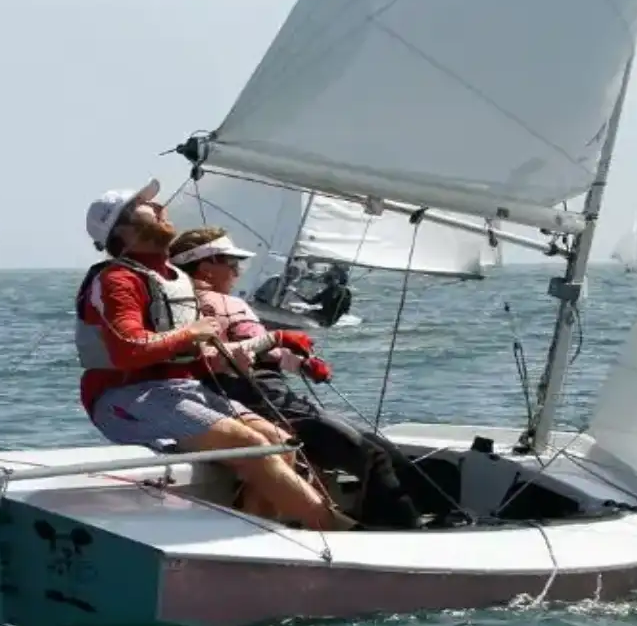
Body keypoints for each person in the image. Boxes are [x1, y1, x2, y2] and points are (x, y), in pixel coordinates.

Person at [76, 181, 352, 531]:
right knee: (250, 445)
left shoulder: (172, 279)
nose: (160, 206)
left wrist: (273, 344)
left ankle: (252, 539)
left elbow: (199, 354)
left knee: (281, 443)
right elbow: (130, 348)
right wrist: (191, 332)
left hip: (183, 389)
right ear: (123, 230)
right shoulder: (117, 280)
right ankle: (339, 530)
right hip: (125, 396)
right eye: (144, 205)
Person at [169, 226, 451, 530]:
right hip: (267, 403)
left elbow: (244, 349)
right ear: (205, 266)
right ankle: (405, 531)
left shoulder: (178, 305)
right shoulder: (225, 303)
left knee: (372, 449)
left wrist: (296, 360)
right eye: (230, 262)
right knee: (373, 454)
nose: (237, 270)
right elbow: (257, 343)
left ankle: (400, 518)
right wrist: (296, 354)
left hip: (230, 404)